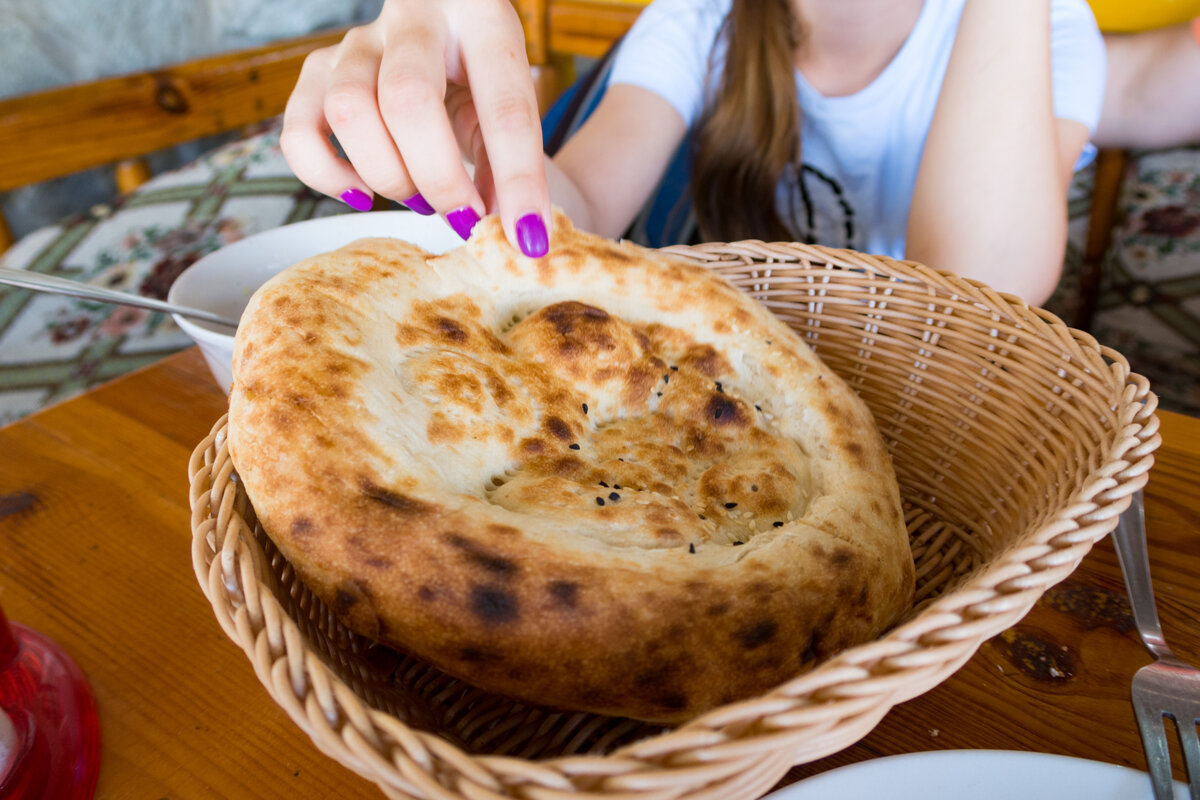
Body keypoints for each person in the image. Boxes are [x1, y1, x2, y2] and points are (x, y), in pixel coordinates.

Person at [279, 0, 1105, 306]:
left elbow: (974, 291)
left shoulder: (1039, 25)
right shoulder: (699, 20)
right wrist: (478, 155)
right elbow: (583, 205)